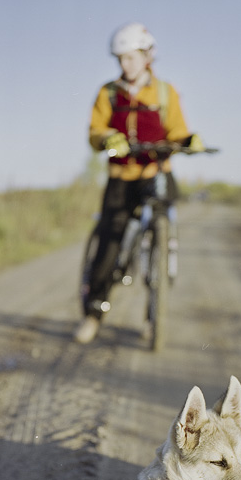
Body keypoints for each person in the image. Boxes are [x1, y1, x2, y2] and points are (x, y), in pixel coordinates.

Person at [74, 22, 203, 344]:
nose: (125, 64)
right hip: (121, 179)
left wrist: (189, 140)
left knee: (161, 236)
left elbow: (176, 131)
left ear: (147, 56)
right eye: (120, 58)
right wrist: (108, 138)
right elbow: (94, 131)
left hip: (156, 174)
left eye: (131, 57)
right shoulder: (108, 93)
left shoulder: (164, 92)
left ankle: (152, 317)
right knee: (110, 240)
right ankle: (93, 314)